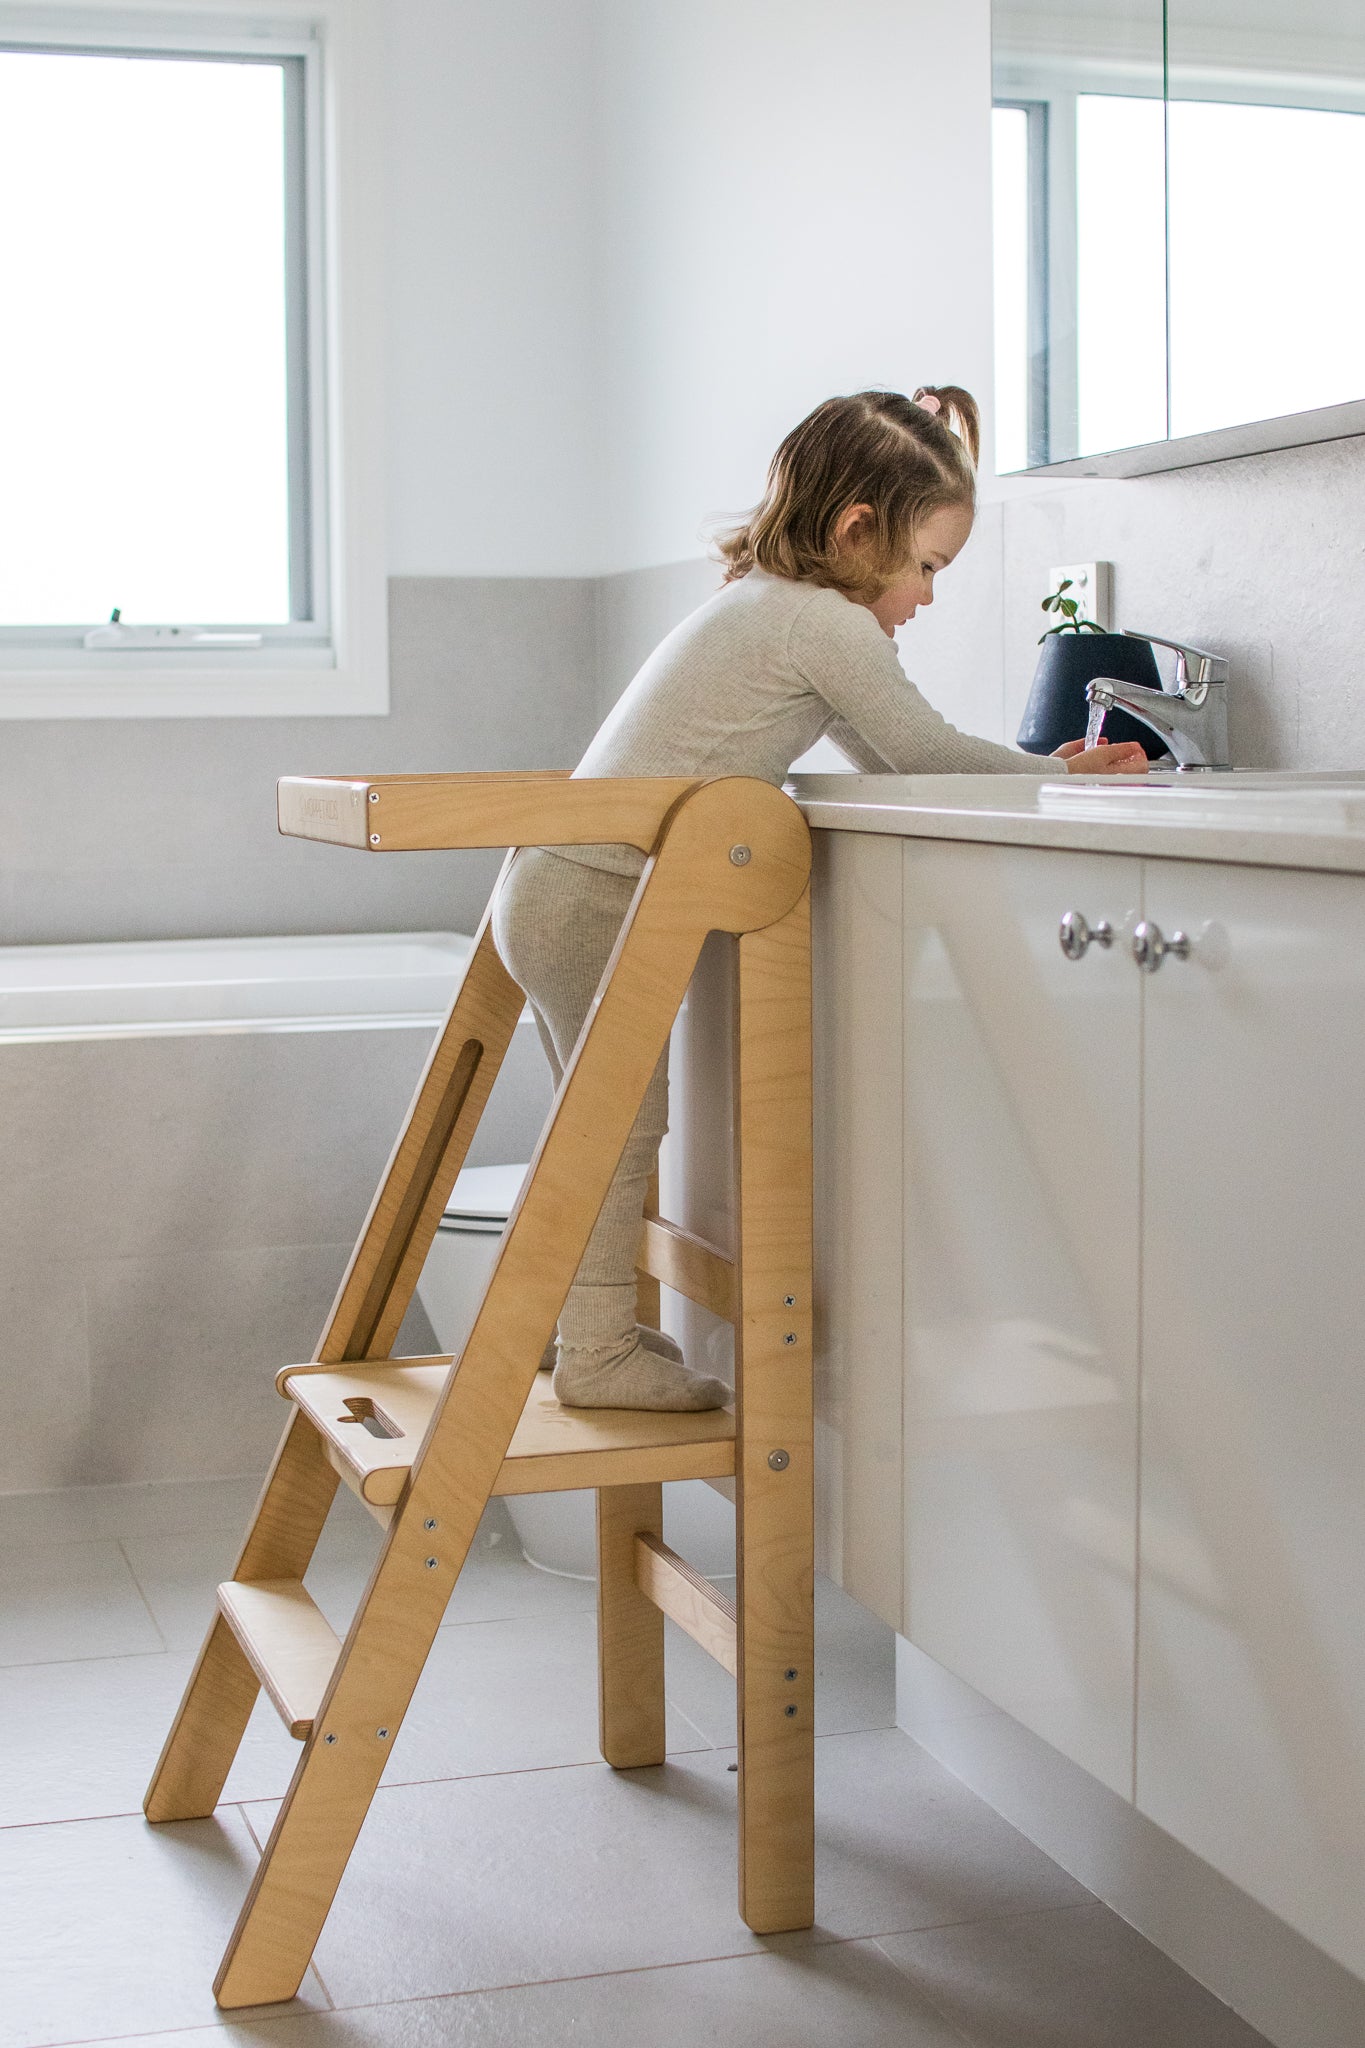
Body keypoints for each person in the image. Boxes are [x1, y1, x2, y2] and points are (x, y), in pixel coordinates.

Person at [493, 386, 1147, 1414]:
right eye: (925, 566)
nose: (927, 597)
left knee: (592, 1120)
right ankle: (596, 1352)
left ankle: (557, 1323)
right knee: (619, 1121)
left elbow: (883, 755)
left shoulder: (764, 606)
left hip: (552, 885)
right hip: (587, 899)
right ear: (856, 531)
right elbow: (920, 751)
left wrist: (1029, 763)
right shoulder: (821, 624)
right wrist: (1057, 773)